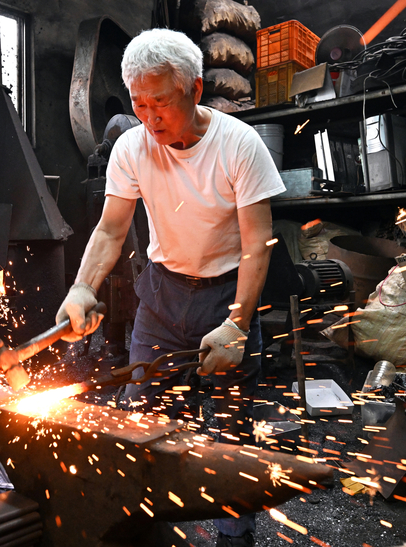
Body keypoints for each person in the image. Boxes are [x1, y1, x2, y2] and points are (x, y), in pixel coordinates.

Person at [56, 28, 285, 547]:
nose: (149, 116)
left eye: (161, 102)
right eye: (139, 104)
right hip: (160, 296)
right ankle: (146, 531)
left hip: (226, 295)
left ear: (195, 89)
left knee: (231, 428)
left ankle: (234, 536)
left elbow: (258, 243)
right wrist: (82, 287)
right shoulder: (132, 147)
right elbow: (111, 230)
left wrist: (237, 325)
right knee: (143, 420)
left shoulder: (239, 145)